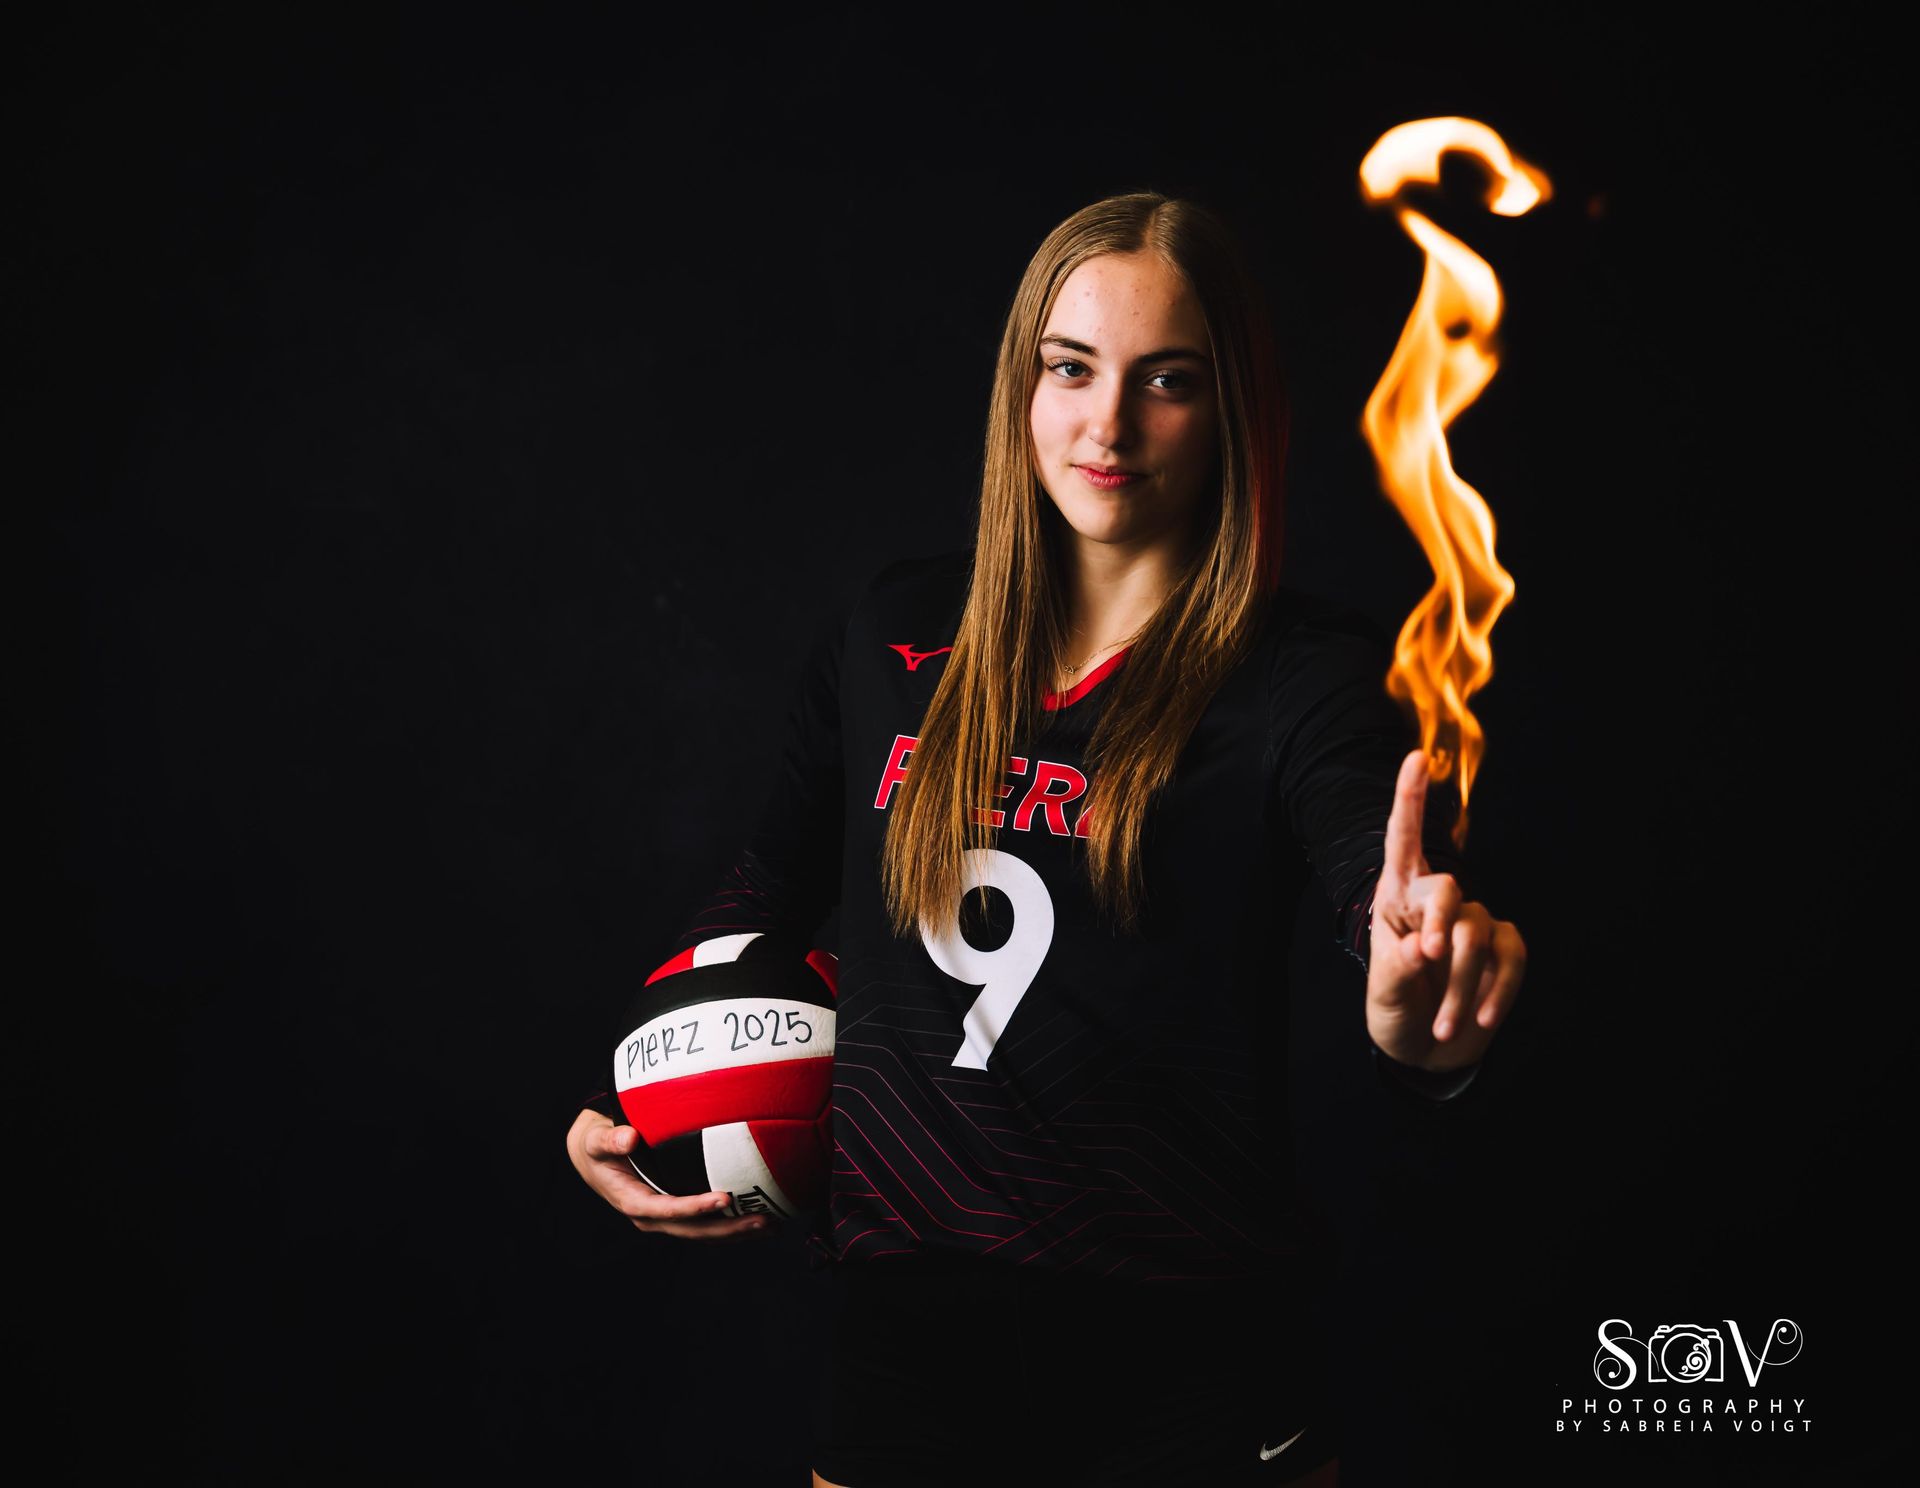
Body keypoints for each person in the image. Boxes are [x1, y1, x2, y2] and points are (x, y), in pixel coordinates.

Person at [565, 191, 1526, 1487]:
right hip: (909, 1348)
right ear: (1024, 381)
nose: (1108, 423)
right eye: (1070, 368)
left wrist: (1417, 1018)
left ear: (1231, 406)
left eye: (1167, 380)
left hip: (1191, 1355)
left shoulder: (1303, 679)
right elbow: (758, 897)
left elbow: (1382, 889)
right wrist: (639, 1097)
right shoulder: (889, 632)